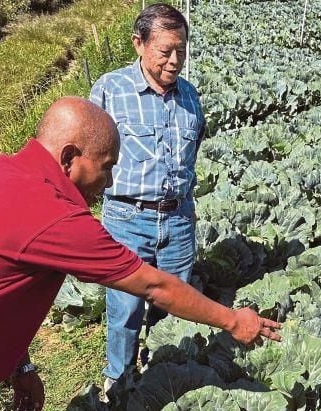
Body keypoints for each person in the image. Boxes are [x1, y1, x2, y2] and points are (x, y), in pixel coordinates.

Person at [0, 97, 280, 411]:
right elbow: (154, 285)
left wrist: (20, 365)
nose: (109, 182)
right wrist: (231, 320)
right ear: (70, 157)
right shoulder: (53, 216)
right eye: (106, 167)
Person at [88, 4, 206, 390]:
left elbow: (192, 153)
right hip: (127, 218)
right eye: (165, 51)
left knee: (175, 304)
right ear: (139, 44)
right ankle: (118, 381)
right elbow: (90, 154)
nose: (175, 61)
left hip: (178, 218)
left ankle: (160, 374)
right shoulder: (110, 90)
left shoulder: (190, 97)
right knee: (125, 308)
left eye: (181, 51)